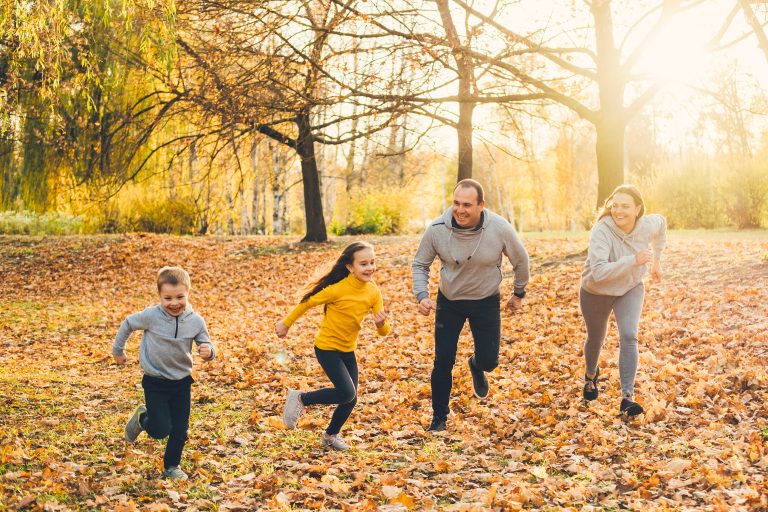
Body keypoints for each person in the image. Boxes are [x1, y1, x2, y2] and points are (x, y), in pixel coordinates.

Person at [412, 179, 530, 432]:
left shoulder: (499, 228)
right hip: (450, 301)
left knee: (490, 361)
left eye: (467, 204)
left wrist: (518, 292)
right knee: (443, 361)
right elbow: (420, 264)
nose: (460, 210)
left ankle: (476, 365)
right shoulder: (436, 229)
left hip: (486, 301)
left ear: (481, 205)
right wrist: (422, 295)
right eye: (456, 203)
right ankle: (439, 419)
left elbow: (521, 261)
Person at [276, 241, 390, 450]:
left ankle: (330, 436)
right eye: (364, 264)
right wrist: (286, 323)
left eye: (372, 262)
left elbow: (383, 332)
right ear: (350, 267)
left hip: (348, 350)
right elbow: (307, 302)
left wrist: (381, 323)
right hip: (327, 348)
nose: (370, 268)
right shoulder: (337, 289)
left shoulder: (373, 293)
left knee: (351, 398)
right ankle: (300, 398)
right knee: (347, 393)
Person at [112, 266, 216, 480]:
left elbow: (205, 341)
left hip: (182, 382)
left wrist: (209, 351)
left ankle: (171, 466)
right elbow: (129, 323)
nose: (174, 303)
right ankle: (142, 419)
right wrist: (118, 350)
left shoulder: (196, 320)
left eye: (180, 297)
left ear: (188, 293)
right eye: (168, 298)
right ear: (159, 296)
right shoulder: (151, 316)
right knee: (160, 430)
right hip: (155, 381)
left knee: (180, 428)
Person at [580, 184, 666, 417]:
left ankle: (627, 397)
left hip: (629, 288)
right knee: (596, 339)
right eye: (615, 205)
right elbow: (598, 271)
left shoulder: (647, 224)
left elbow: (662, 225)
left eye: (625, 206)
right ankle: (590, 376)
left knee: (629, 335)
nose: (619, 211)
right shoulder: (602, 230)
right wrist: (633, 260)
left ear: (638, 209)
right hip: (596, 291)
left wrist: (657, 261)